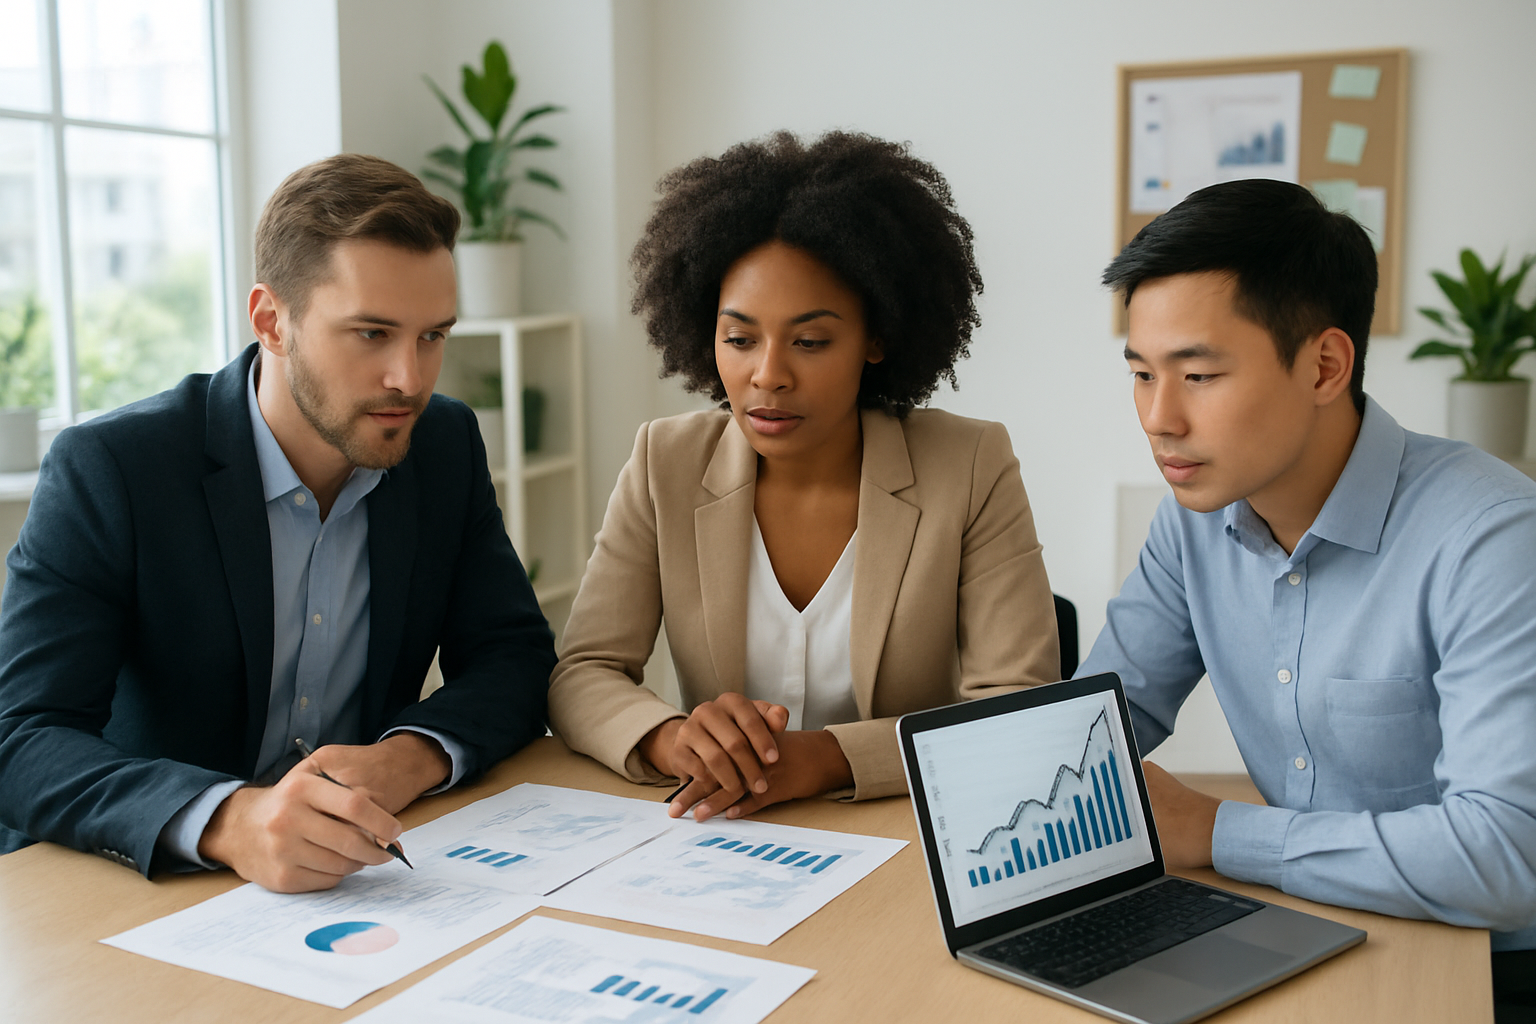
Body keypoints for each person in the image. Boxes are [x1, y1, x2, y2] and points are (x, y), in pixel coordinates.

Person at [0, 154, 554, 893]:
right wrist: (230, 820)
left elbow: (513, 656)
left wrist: (406, 757)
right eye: (372, 334)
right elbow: (20, 738)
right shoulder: (113, 469)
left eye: (432, 336)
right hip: (148, 885)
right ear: (271, 322)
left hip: (357, 876)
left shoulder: (443, 444)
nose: (410, 379)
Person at [1081, 178, 1536, 1016]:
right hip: (1299, 926)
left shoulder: (1493, 537)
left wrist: (1211, 830)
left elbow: (1506, 857)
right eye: (1142, 374)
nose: (1158, 417)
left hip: (1484, 964)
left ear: (1326, 365)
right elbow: (1094, 730)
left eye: (1198, 374)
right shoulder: (1193, 522)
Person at [548, 131, 1059, 822]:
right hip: (722, 834)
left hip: (902, 829)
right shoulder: (664, 462)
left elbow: (1019, 709)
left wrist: (824, 758)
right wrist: (673, 739)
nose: (768, 375)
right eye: (739, 338)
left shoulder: (968, 465)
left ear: (876, 338)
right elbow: (583, 673)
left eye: (810, 341)